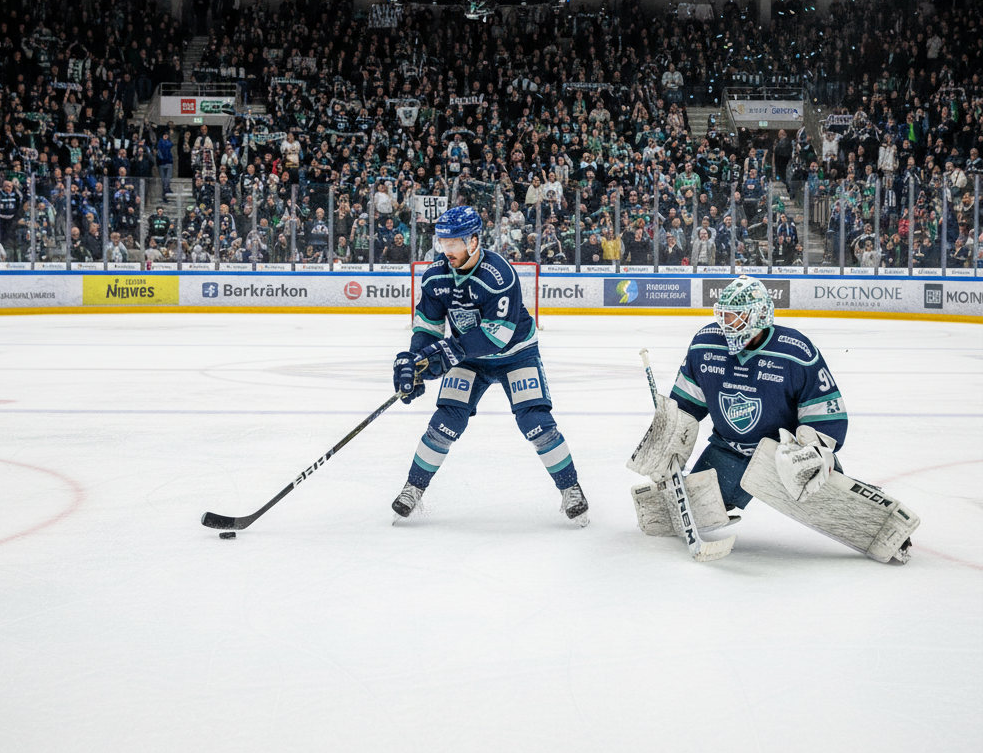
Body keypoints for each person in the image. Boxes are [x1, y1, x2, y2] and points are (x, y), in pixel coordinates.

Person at [630, 275, 916, 564]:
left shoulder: (795, 351)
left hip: (784, 455)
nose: (727, 323)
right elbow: (685, 407)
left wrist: (813, 452)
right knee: (672, 513)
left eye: (736, 316)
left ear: (760, 316)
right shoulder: (705, 344)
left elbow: (825, 412)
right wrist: (666, 441)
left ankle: (878, 519)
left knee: (822, 494)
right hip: (729, 450)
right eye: (724, 315)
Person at [391, 206, 588, 525]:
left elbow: (499, 334)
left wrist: (448, 353)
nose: (447, 250)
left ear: (473, 240)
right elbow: (427, 326)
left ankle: (571, 489)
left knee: (535, 421)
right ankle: (413, 488)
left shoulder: (499, 274)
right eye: (443, 242)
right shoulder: (436, 276)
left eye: (453, 243)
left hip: (516, 354)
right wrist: (415, 360)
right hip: (467, 358)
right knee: (445, 421)